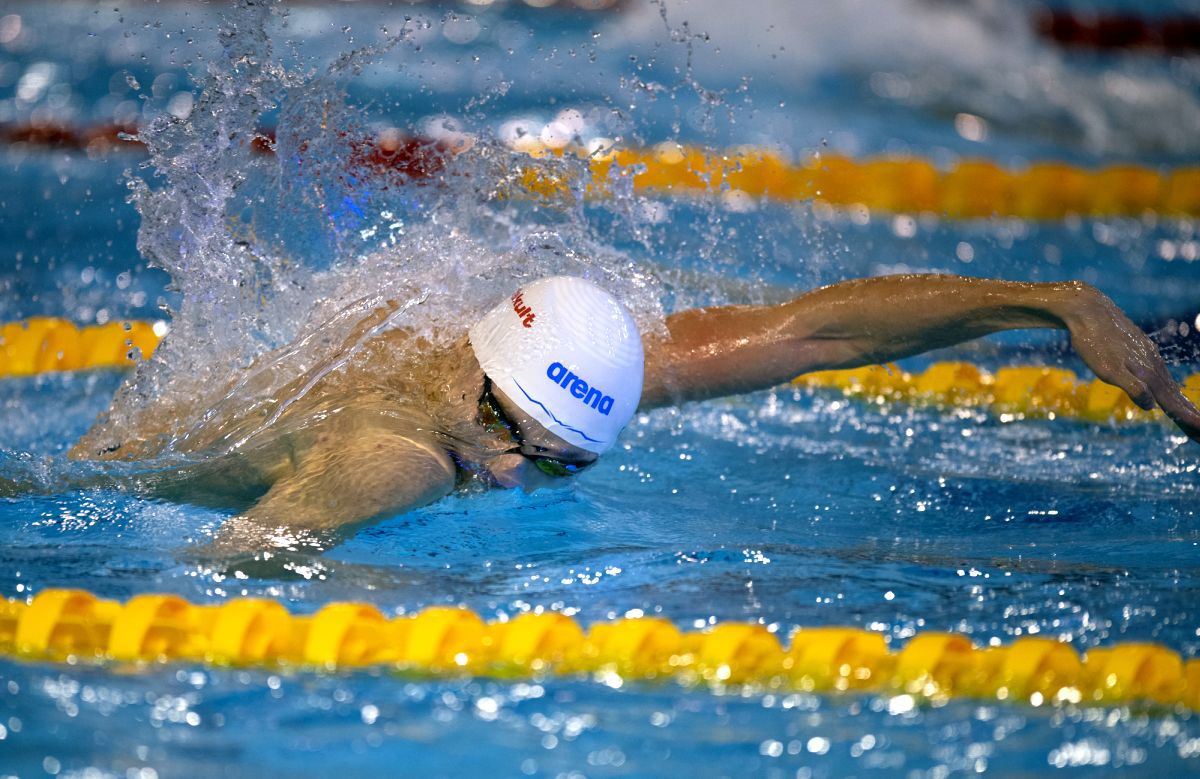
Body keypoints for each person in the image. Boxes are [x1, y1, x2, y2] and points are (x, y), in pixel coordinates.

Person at [68, 273, 1200, 553]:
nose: (514, 475)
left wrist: (1052, 303)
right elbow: (225, 568)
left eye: (561, 467)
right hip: (80, 481)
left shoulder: (570, 365)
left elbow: (820, 331)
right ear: (475, 390)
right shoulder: (397, 460)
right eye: (512, 442)